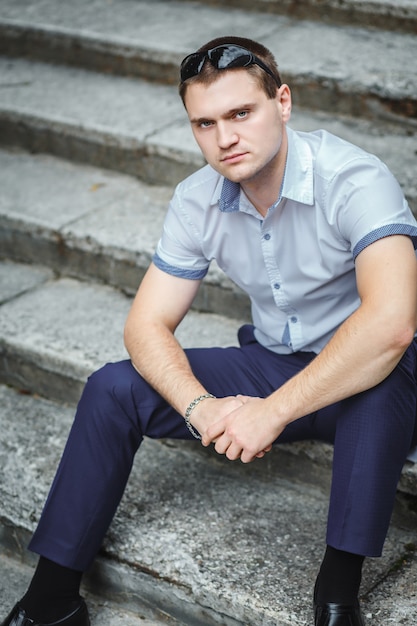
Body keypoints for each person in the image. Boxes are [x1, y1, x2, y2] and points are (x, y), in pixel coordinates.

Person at [2, 35, 417, 626]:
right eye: (205, 123)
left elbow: (392, 325)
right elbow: (146, 323)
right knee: (112, 388)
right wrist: (199, 407)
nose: (225, 138)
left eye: (241, 113)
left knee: (376, 381)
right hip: (276, 360)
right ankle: (51, 599)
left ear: (283, 102)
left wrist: (269, 413)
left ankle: (337, 594)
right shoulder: (197, 199)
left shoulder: (353, 179)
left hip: (379, 374)